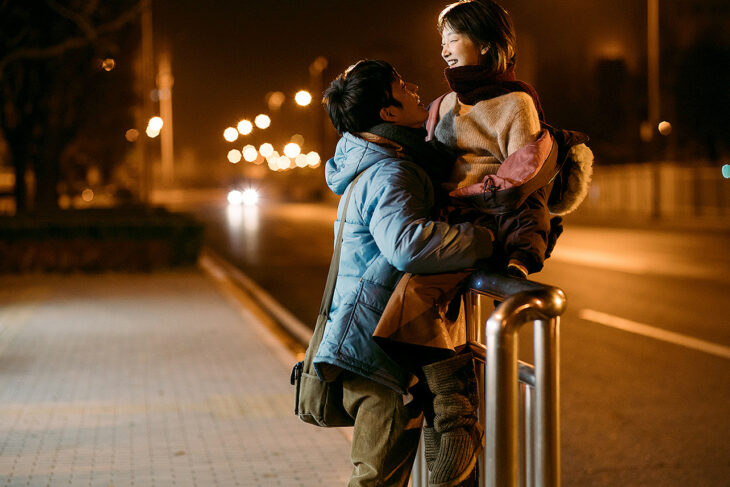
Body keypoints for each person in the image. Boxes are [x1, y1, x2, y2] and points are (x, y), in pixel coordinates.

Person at [314, 59, 494, 487]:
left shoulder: (371, 163)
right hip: (377, 351)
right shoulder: (391, 170)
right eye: (402, 86)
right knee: (376, 480)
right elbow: (407, 245)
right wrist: (485, 240)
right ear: (388, 113)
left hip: (369, 339)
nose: (414, 89)